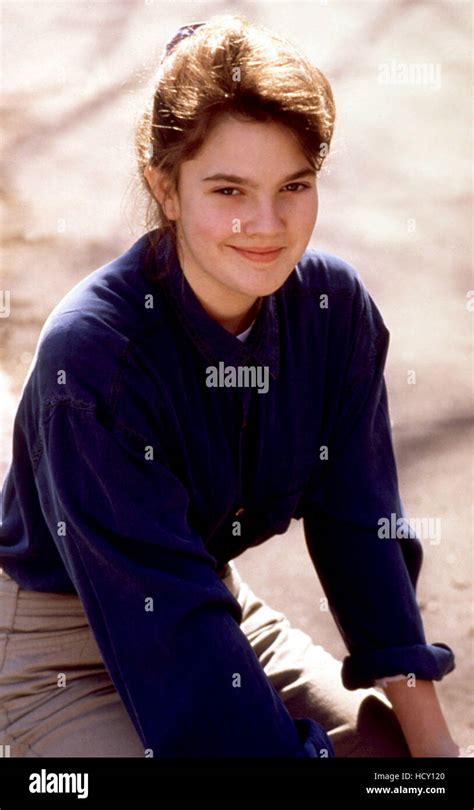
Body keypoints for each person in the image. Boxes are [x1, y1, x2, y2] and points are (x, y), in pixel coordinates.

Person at [0, 14, 459, 758]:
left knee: (388, 756)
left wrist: (436, 751)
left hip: (207, 603)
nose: (266, 224)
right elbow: (171, 644)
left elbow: (360, 531)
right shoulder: (92, 361)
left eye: (295, 186)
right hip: (60, 641)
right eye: (228, 190)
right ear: (166, 188)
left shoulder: (331, 311)